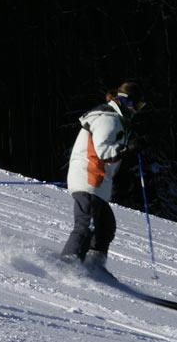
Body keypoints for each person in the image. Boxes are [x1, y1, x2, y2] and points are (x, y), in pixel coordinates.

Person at [61, 81, 146, 269]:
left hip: (97, 181)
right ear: (125, 101)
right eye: (136, 105)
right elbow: (103, 152)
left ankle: (94, 266)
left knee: (106, 226)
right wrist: (128, 149)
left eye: (141, 106)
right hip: (89, 177)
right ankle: (68, 265)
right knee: (87, 224)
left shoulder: (116, 120)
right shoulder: (109, 118)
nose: (137, 110)